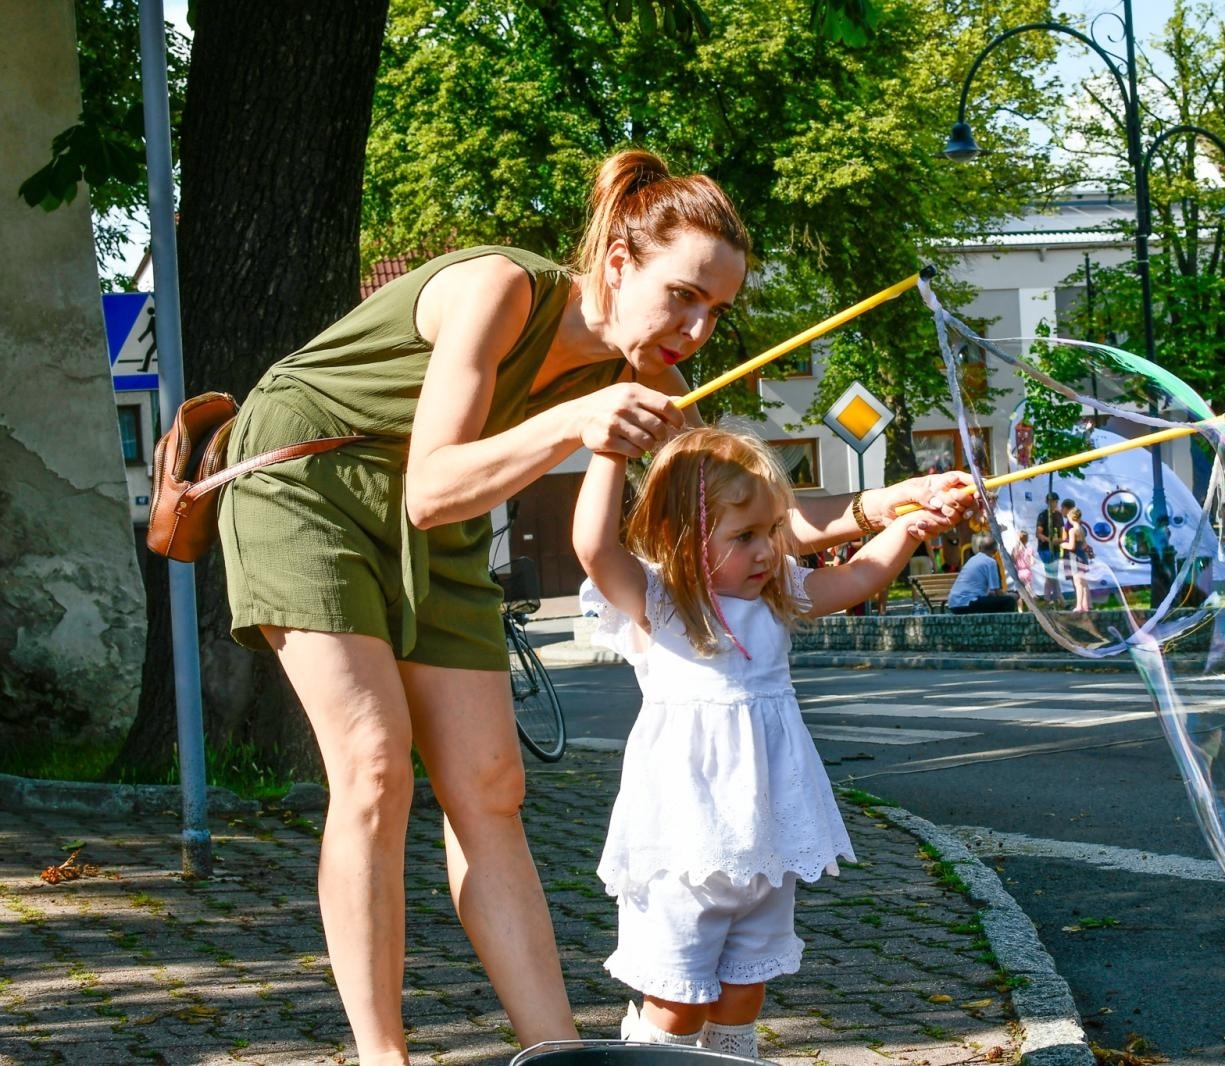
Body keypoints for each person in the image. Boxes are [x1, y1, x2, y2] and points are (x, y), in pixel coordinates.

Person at [216, 149, 969, 1063]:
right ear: (618, 263)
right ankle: (386, 1057)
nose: (695, 329)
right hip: (307, 479)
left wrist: (879, 507)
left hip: (443, 521)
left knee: (491, 787)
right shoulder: (499, 290)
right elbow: (429, 486)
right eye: (682, 295)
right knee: (375, 767)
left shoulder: (648, 377)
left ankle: (558, 1054)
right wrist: (575, 422)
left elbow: (749, 507)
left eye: (716, 311)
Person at [571, 426, 963, 1057]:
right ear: (682, 538)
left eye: (773, 530)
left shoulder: (778, 594)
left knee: (743, 988)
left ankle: (732, 1057)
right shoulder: (660, 603)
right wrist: (609, 450)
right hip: (681, 845)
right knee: (677, 999)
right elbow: (593, 546)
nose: (765, 551)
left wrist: (910, 527)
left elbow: (856, 577)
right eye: (744, 535)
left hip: (766, 838)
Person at [946, 534, 1018, 614]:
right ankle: (1004, 626)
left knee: (992, 602)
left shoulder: (971, 560)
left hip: (953, 604)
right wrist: (1011, 595)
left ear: (979, 548)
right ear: (995, 551)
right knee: (1008, 601)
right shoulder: (991, 562)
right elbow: (997, 592)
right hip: (968, 603)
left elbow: (988, 592)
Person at [1035, 492, 1070, 605]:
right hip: (1045, 548)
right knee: (1051, 573)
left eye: (1055, 501)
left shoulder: (1059, 515)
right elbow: (1038, 534)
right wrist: (1049, 540)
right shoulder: (1043, 515)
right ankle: (1052, 599)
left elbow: (1062, 532)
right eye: (1050, 502)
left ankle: (1055, 599)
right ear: (1047, 502)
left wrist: (1061, 540)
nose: (1053, 504)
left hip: (1055, 548)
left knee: (1053, 574)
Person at [1062, 505, 1093, 613]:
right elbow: (1084, 545)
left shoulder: (1072, 530)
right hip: (1082, 556)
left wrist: (1063, 545)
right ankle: (1085, 605)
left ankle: (1079, 606)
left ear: (1070, 518)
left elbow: (1071, 546)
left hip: (1074, 557)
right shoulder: (1081, 529)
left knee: (1077, 583)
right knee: (1083, 583)